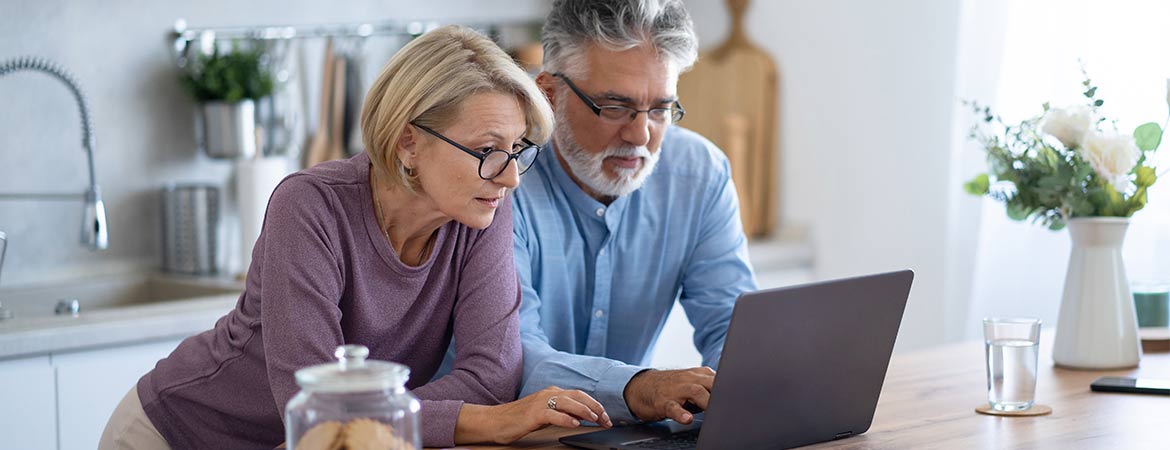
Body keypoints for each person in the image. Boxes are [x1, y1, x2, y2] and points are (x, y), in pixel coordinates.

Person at [98, 25, 609, 450]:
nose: (510, 176)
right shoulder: (310, 206)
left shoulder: (484, 210)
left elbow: (492, 376)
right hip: (181, 433)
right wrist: (483, 420)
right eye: (487, 150)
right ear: (409, 141)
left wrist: (373, 422)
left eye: (517, 149)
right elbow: (316, 405)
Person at [514, 0, 758, 426]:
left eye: (661, 109)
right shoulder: (501, 179)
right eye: (614, 107)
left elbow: (732, 326)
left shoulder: (699, 173)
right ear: (549, 94)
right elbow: (514, 358)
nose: (641, 134)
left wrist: (742, 390)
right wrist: (638, 387)